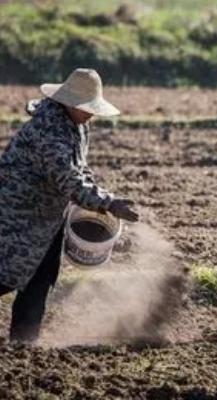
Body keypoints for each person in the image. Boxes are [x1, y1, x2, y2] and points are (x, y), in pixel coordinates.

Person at [0, 68, 139, 342]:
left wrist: (101, 198)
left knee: (41, 279)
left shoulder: (77, 124)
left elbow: (81, 170)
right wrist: (108, 202)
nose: (91, 114)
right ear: (69, 103)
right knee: (6, 273)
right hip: (18, 214)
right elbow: (68, 178)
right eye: (87, 108)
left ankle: (23, 343)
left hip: (47, 216)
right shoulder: (49, 130)